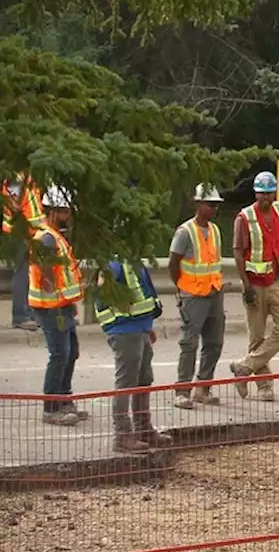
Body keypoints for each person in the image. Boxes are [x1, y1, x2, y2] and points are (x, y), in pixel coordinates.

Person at [229, 171, 279, 402]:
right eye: (262, 194)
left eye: (269, 193)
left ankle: (244, 367)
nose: (266, 198)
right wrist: (246, 286)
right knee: (257, 335)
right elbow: (238, 254)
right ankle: (264, 385)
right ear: (256, 194)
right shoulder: (245, 218)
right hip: (255, 283)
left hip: (278, 279)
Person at [95, 258, 172, 453]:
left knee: (143, 379)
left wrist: (146, 327)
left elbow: (142, 295)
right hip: (124, 330)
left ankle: (143, 429)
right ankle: (122, 436)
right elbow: (103, 292)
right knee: (126, 382)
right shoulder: (114, 264)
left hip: (139, 329)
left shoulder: (134, 261)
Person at [28, 185, 86, 427]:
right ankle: (52, 408)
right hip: (51, 307)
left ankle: (64, 400)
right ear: (53, 211)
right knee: (60, 353)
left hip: (61, 305)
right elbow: (44, 267)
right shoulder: (47, 237)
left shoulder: (55, 235)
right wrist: (51, 285)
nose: (68, 215)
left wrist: (69, 302)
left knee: (71, 351)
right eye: (64, 210)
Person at [169, 184, 226, 409]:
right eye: (210, 205)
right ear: (198, 204)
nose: (214, 209)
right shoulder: (185, 232)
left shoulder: (215, 230)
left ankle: (203, 387)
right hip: (193, 295)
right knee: (189, 343)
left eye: (216, 205)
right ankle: (182, 390)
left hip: (214, 292)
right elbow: (173, 263)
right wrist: (182, 288)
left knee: (214, 342)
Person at [3, 174, 47, 332]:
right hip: (21, 232)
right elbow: (14, 204)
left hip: (31, 231)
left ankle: (31, 313)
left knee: (31, 273)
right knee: (23, 273)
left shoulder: (27, 177)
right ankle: (21, 316)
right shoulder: (16, 177)